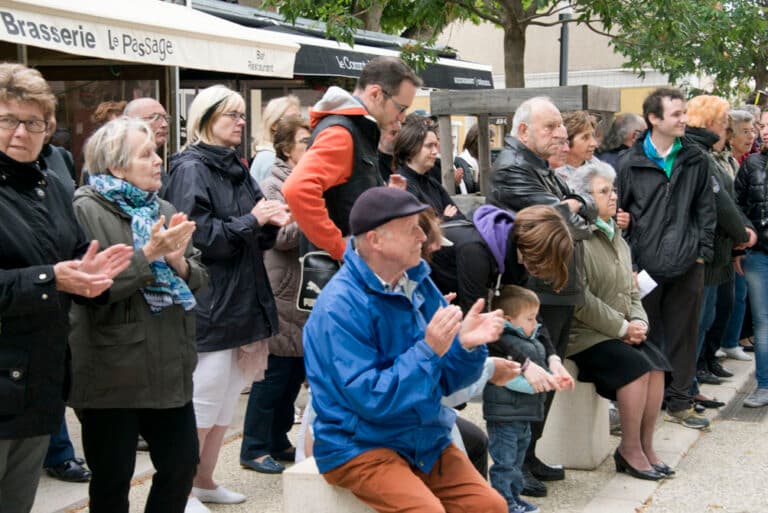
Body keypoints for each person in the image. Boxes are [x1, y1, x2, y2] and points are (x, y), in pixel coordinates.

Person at [304, 186, 508, 513]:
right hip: (358, 443)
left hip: (422, 435)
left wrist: (465, 347)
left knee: (490, 507)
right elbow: (371, 398)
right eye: (411, 227)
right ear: (375, 240)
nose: (422, 236)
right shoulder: (339, 306)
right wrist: (430, 350)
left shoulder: (418, 282)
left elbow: (449, 383)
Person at [0, 62, 132, 513]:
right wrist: (49, 278)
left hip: (38, 386)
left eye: (33, 122)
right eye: (8, 120)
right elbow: (50, 273)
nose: (21, 132)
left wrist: (92, 278)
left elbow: (74, 258)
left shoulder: (54, 186)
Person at [69, 117, 208, 513]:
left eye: (157, 153)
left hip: (169, 366)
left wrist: (179, 264)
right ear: (115, 165)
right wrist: (148, 255)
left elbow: (199, 276)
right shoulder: (84, 208)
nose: (158, 161)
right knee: (112, 481)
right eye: (146, 155)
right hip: (112, 371)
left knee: (182, 466)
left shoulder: (162, 206)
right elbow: (92, 287)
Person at [163, 85, 290, 513]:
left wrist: (271, 222)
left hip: (241, 298)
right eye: (230, 115)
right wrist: (253, 221)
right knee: (203, 398)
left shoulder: (237, 165)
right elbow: (195, 238)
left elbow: (253, 229)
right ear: (204, 120)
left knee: (223, 403)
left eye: (241, 114)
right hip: (210, 301)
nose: (240, 121)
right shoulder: (191, 169)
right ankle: (179, 491)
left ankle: (204, 480)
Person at [488, 96, 597, 496]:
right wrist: (573, 210)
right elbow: (558, 221)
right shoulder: (514, 167)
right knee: (527, 379)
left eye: (559, 127)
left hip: (555, 286)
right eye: (550, 127)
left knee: (546, 376)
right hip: (536, 289)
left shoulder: (540, 168)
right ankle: (515, 465)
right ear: (523, 131)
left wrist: (576, 206)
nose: (560, 134)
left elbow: (584, 210)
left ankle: (529, 456)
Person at [615, 87, 716, 430]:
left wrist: (702, 254)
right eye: (676, 114)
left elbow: (706, 209)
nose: (684, 119)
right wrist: (630, 262)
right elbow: (619, 212)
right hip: (645, 266)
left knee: (685, 336)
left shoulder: (695, 158)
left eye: (684, 112)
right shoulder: (629, 162)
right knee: (646, 334)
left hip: (689, 265)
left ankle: (681, 402)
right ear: (653, 119)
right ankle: (646, 405)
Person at [568, 160, 673, 481]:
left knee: (657, 364)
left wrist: (638, 322)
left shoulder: (618, 238)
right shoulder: (578, 239)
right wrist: (622, 328)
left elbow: (631, 289)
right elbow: (581, 300)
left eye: (613, 190)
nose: (613, 196)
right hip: (584, 335)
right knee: (635, 367)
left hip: (618, 330)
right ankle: (628, 449)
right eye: (603, 191)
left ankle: (645, 446)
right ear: (584, 199)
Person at [283, 56, 421, 261]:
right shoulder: (343, 132)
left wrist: (383, 194)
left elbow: (346, 195)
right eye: (401, 108)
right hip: (343, 274)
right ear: (376, 93)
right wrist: (339, 247)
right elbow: (297, 189)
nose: (402, 118)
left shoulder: (356, 129)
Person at [240, 115, 311, 474]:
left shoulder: (313, 181)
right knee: (274, 375)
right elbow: (281, 236)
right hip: (283, 286)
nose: (310, 147)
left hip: (306, 288)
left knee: (293, 370)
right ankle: (253, 447)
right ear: (285, 148)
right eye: (303, 142)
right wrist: (315, 219)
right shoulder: (272, 185)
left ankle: (277, 439)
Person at [684, 96, 755, 404]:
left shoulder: (709, 153)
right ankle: (686, 388)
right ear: (709, 121)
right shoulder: (698, 154)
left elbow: (730, 201)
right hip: (706, 251)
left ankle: (691, 383)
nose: (728, 126)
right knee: (698, 322)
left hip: (720, 249)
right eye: (724, 120)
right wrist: (742, 233)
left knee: (710, 316)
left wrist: (742, 231)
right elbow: (719, 202)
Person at [485, 285, 573, 513]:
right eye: (530, 318)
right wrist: (543, 386)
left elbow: (541, 368)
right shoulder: (501, 341)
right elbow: (507, 379)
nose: (536, 324)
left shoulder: (532, 339)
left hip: (523, 414)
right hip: (504, 415)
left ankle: (514, 497)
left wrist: (555, 374)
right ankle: (503, 502)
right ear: (508, 319)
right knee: (505, 464)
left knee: (516, 462)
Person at [734, 137, 768, 407]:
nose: (765, 132)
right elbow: (739, 207)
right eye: (764, 126)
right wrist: (739, 249)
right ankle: (764, 385)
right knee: (763, 323)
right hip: (758, 255)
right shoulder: (751, 164)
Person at [395, 119, 465, 220]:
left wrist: (440, 220)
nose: (435, 151)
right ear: (410, 148)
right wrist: (446, 218)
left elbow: (460, 217)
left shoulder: (432, 184)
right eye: (429, 146)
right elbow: (419, 227)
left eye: (436, 145)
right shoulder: (402, 185)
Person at [249, 95, 301, 184]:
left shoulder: (272, 155)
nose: (299, 123)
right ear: (274, 125)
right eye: (292, 119)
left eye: (299, 118)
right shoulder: (270, 159)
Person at [555, 110, 598, 182]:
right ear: (566, 140)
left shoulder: (600, 169)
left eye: (593, 136)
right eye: (585, 137)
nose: (594, 143)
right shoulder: (553, 174)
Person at [454, 124, 481, 194]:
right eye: (491, 140)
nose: (492, 144)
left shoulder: (480, 161)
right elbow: (468, 188)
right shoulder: (461, 161)